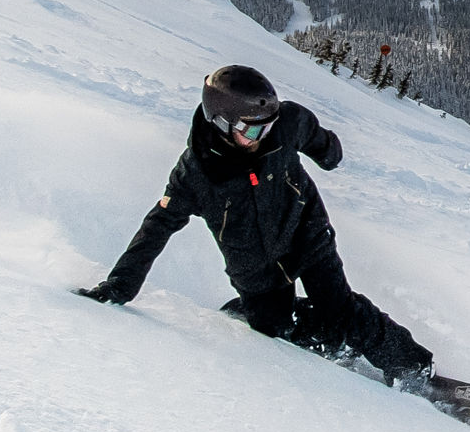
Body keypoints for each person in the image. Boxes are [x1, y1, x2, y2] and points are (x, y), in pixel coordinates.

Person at [74, 65, 436, 390]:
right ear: (221, 122)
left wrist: (328, 151)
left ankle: (412, 366)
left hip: (305, 232)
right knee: (271, 326)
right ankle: (309, 330)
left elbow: (322, 145)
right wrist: (119, 287)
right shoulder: (195, 175)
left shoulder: (287, 123)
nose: (263, 133)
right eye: (252, 128)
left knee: (338, 306)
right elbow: (156, 228)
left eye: (269, 124)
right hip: (255, 265)